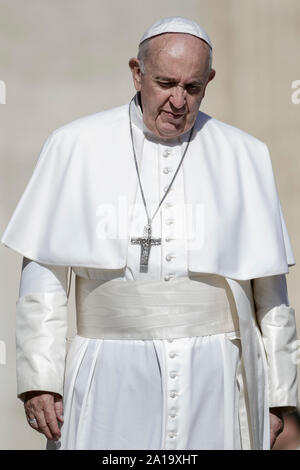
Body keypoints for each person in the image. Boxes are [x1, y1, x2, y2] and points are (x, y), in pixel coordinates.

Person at [1, 16, 298, 450]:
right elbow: (44, 277)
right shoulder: (75, 145)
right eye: (165, 83)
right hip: (108, 374)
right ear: (137, 74)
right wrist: (40, 378)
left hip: (217, 374)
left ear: (208, 81)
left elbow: (271, 292)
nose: (178, 100)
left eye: (192, 87)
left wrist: (279, 395)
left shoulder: (245, 155)